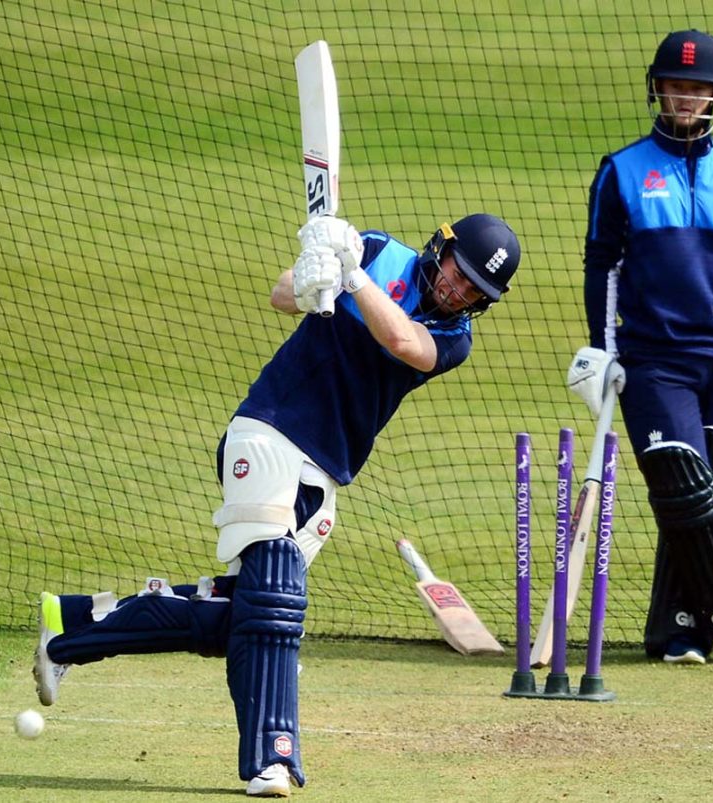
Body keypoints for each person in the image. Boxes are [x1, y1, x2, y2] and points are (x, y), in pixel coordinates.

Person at [31, 212, 521, 796]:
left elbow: (400, 341)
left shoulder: (452, 338)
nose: (457, 290)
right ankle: (273, 756)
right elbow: (281, 294)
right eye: (458, 273)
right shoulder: (373, 249)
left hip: (325, 471)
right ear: (441, 248)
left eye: (474, 290)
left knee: (245, 614)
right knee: (279, 599)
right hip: (268, 430)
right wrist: (319, 272)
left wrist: (349, 278)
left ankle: (72, 627)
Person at [567, 30, 713, 666]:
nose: (686, 98)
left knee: (709, 499)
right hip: (655, 361)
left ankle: (680, 631)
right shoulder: (620, 169)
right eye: (677, 86)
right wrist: (603, 348)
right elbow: (602, 264)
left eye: (699, 88)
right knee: (684, 490)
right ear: (658, 88)